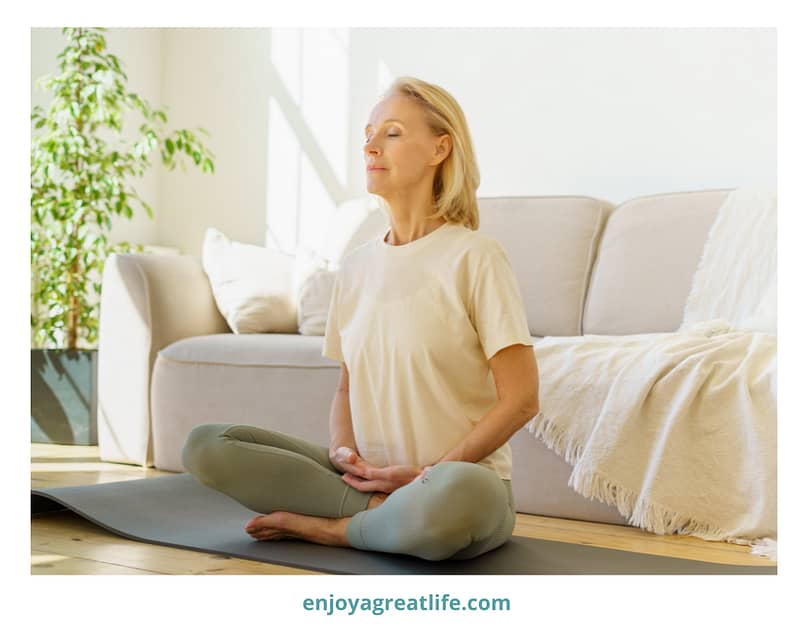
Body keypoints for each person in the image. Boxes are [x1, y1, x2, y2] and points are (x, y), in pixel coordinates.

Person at [181, 76, 541, 561]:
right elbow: (348, 387)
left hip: (459, 486)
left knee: (458, 497)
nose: (371, 145)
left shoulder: (476, 257)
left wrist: (425, 476)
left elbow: (521, 399)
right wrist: (344, 454)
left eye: (391, 133)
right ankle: (378, 515)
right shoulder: (355, 266)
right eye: (368, 134)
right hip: (365, 481)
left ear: (440, 148)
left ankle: (335, 529)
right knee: (207, 446)